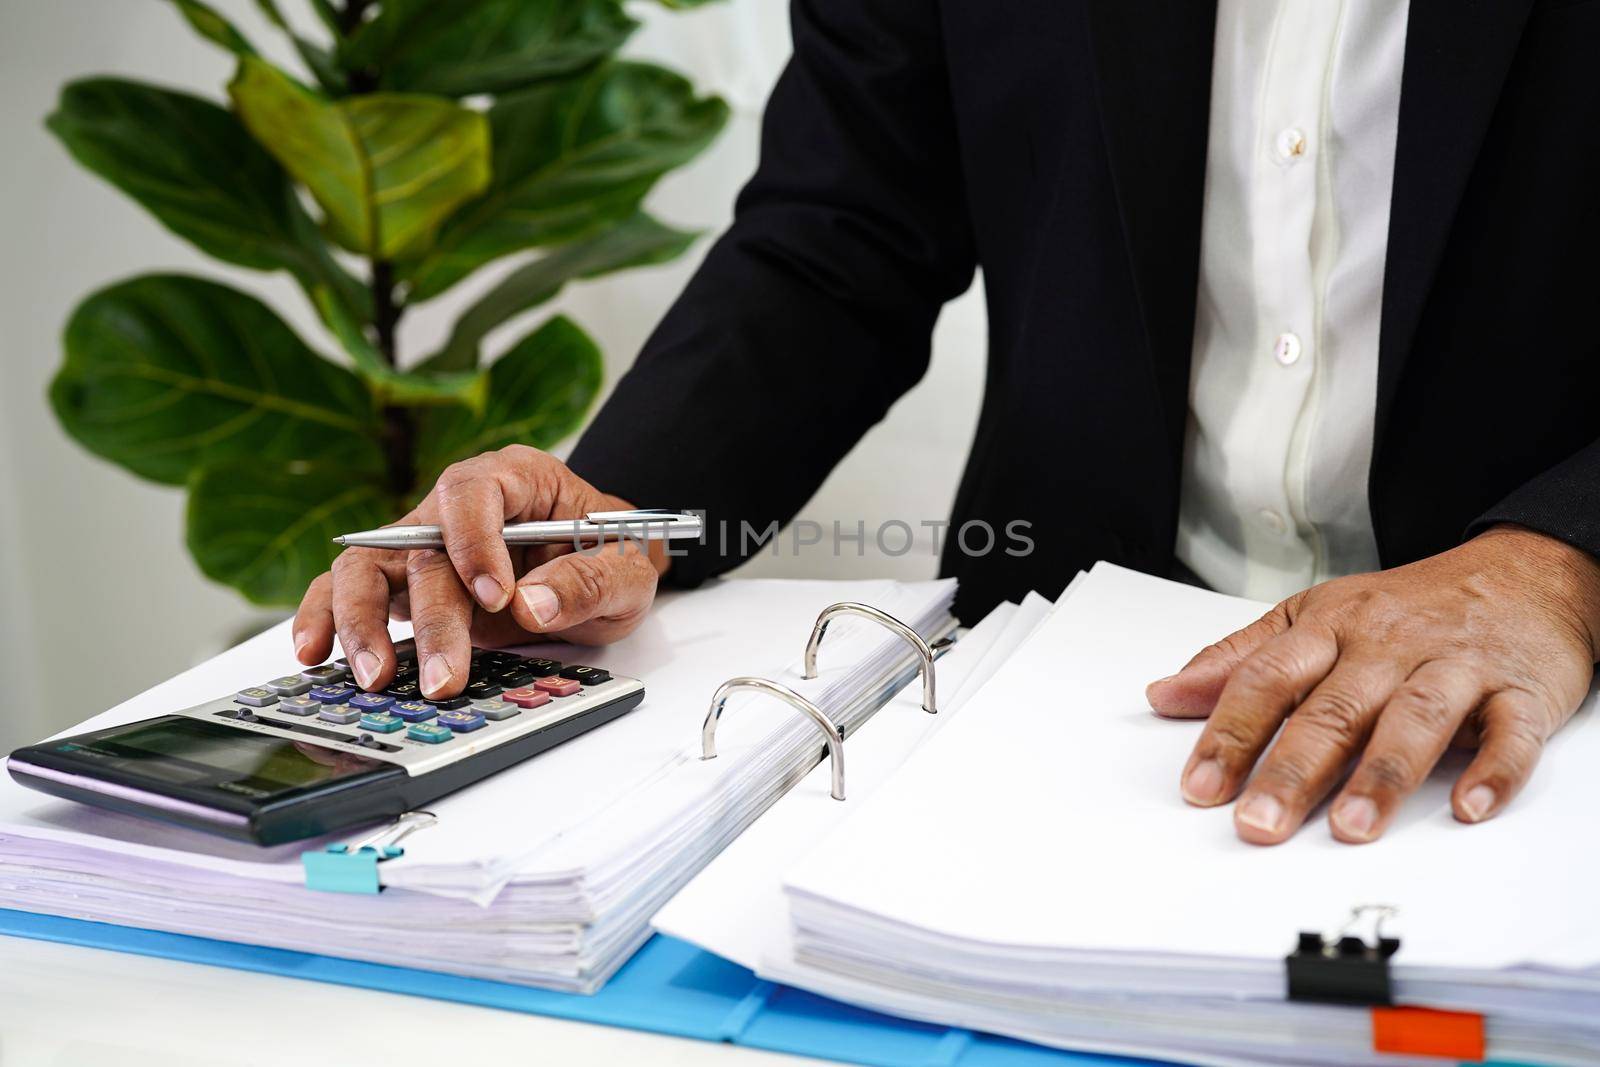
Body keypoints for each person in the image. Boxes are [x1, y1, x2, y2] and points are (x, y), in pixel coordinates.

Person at [292, 0, 1600, 847]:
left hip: (1542, 698)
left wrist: (1561, 561)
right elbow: (848, 221)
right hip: (1078, 700)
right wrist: (619, 511)